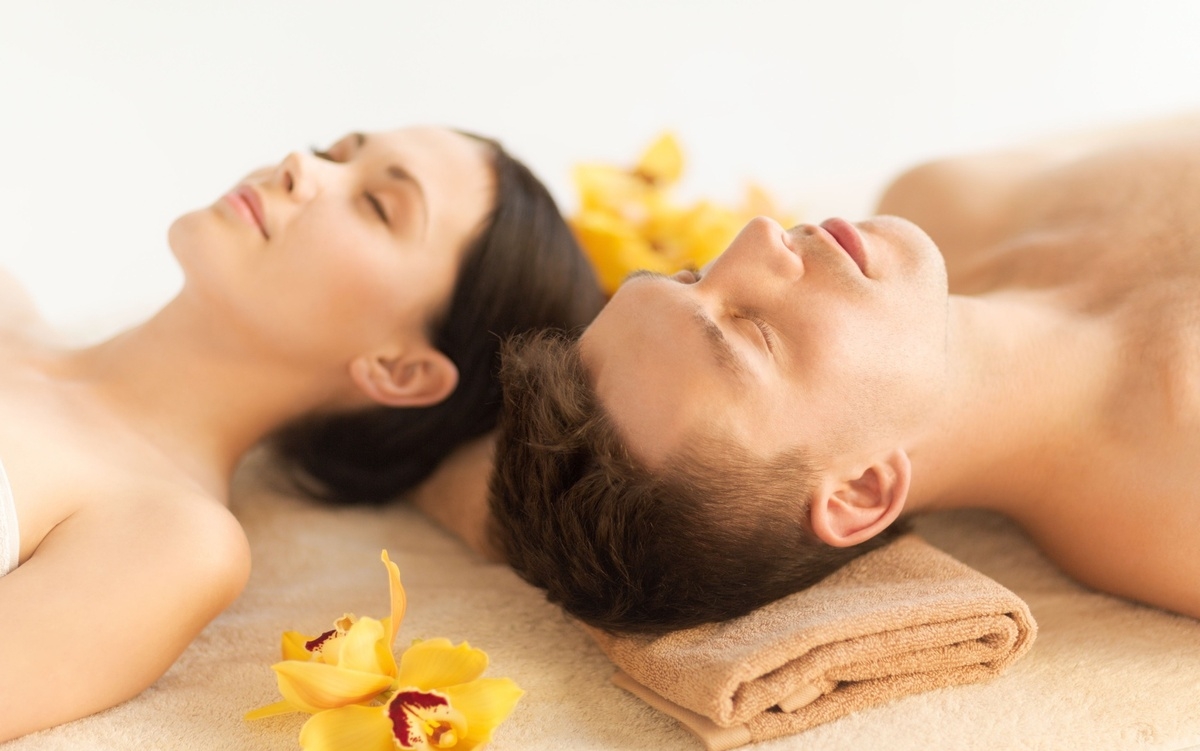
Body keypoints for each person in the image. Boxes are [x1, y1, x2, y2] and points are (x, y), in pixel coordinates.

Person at [487, 114, 1200, 635]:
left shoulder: (945, 195)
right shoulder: (1175, 501)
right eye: (752, 330)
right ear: (861, 491)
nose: (758, 237)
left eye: (693, 275)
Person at [0, 126, 603, 741]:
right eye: (330, 154)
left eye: (377, 205)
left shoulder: (170, 537)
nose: (297, 164)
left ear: (399, 370)